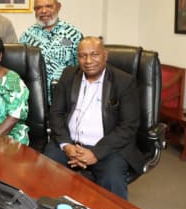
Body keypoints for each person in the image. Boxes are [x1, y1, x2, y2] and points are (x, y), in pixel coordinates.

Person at [44, 36, 142, 199]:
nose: (88, 61)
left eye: (94, 54)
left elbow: (129, 126)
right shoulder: (69, 75)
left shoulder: (124, 81)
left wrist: (96, 153)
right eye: (82, 56)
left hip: (108, 147)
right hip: (70, 143)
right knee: (44, 170)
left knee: (112, 180)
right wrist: (66, 145)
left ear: (105, 55)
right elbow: (56, 113)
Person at [19, 0, 82, 100]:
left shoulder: (72, 35)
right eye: (38, 8)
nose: (43, 11)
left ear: (58, 7)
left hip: (66, 96)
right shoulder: (26, 36)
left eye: (48, 6)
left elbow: (81, 67)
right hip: (34, 97)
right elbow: (20, 69)